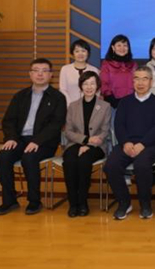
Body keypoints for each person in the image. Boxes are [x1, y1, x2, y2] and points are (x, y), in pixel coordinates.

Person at [0, 58, 67, 216]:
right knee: (3, 157)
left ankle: (34, 201)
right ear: (30, 74)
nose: (40, 74)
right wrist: (11, 138)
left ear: (51, 75)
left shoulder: (58, 98)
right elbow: (8, 120)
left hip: (44, 142)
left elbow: (56, 124)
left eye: (44, 71)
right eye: (36, 70)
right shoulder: (20, 96)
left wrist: (37, 141)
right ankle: (9, 200)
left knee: (29, 158)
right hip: (19, 139)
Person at [103, 66, 155, 220]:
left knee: (142, 165)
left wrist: (142, 144)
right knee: (111, 165)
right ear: (133, 82)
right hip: (127, 144)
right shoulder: (125, 102)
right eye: (137, 78)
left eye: (144, 79)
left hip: (150, 145)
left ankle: (145, 205)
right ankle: (124, 202)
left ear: (151, 82)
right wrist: (125, 142)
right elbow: (119, 125)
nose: (140, 82)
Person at [63, 71, 111, 217]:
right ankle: (73, 203)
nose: (89, 87)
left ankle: (82, 202)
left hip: (97, 146)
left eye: (92, 84)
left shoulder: (105, 106)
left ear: (97, 86)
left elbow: (105, 131)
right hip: (75, 143)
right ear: (80, 86)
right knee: (69, 161)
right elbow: (68, 131)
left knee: (84, 161)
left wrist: (90, 144)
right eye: (85, 84)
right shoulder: (73, 106)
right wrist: (85, 140)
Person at [100, 34, 137, 109]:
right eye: (119, 45)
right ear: (113, 47)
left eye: (125, 45)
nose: (122, 48)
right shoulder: (106, 64)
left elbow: (137, 82)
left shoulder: (133, 65)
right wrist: (112, 100)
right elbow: (103, 83)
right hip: (112, 104)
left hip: (131, 103)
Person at [59, 39, 99, 105]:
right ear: (72, 53)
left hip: (90, 106)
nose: (80, 54)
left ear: (88, 53)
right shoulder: (65, 69)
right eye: (77, 51)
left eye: (83, 51)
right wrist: (71, 105)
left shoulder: (94, 70)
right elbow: (63, 89)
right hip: (70, 106)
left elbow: (97, 90)